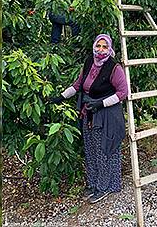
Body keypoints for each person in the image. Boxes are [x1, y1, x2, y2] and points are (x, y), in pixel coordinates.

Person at [48, 34, 128, 203]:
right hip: (89, 113)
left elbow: (123, 93)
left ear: (110, 49)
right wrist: (61, 97)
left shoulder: (114, 68)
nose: (100, 50)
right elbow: (78, 85)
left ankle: (105, 186)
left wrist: (101, 104)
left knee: (103, 150)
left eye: (104, 47)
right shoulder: (89, 62)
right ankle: (93, 183)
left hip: (106, 115)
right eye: (98, 46)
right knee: (91, 150)